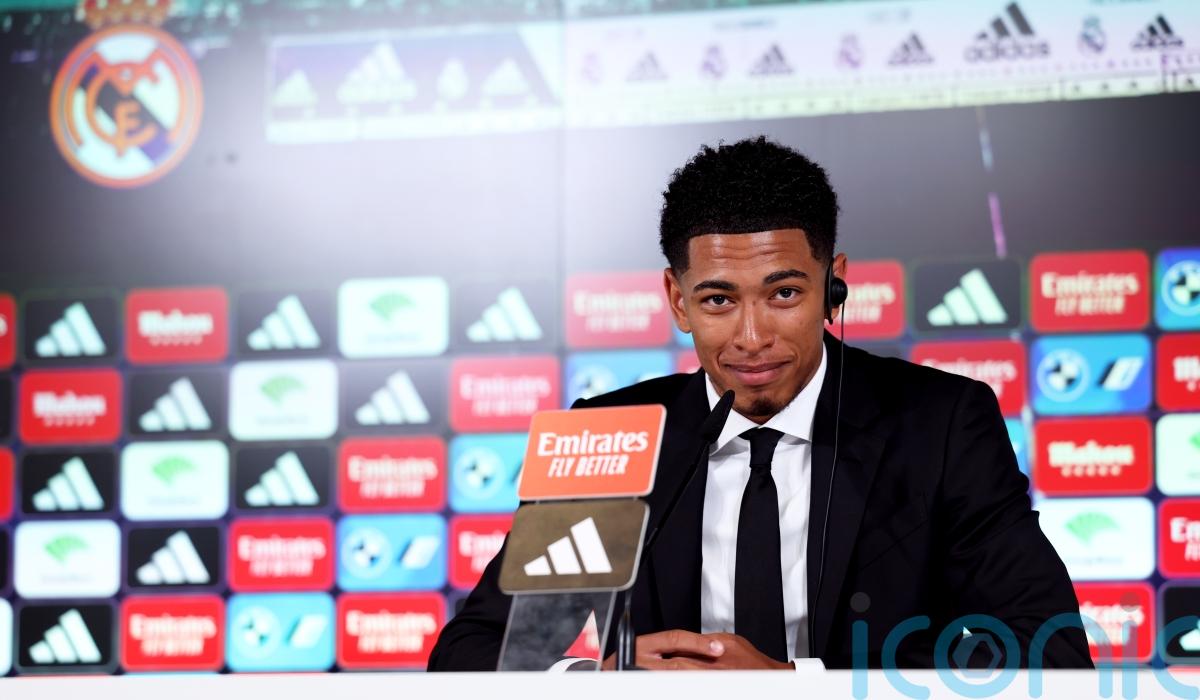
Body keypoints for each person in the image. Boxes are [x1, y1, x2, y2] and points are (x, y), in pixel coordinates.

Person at [429, 136, 1092, 671]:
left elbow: (1049, 650)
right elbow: (474, 652)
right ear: (677, 299)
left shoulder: (939, 426)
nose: (751, 337)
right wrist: (599, 682)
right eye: (719, 299)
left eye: (784, 294)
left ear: (834, 285)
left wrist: (794, 685)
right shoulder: (612, 436)